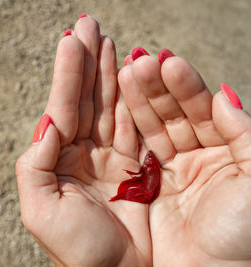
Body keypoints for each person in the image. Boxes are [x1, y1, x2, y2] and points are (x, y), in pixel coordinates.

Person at [15, 14, 251, 266]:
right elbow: (143, 176)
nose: (150, 158)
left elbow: (145, 177)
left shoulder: (151, 169)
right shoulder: (148, 169)